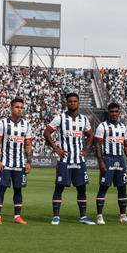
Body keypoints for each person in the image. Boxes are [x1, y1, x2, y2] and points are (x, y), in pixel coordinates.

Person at [44, 93, 94, 225]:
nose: (72, 103)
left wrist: (86, 150)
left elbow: (90, 135)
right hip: (64, 160)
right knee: (59, 188)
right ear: (67, 103)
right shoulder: (60, 118)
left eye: (75, 101)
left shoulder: (83, 119)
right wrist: (56, 148)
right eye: (70, 101)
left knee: (82, 188)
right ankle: (56, 217)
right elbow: (46, 132)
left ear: (78, 103)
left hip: (79, 160)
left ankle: (83, 217)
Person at [0, 97, 33, 225]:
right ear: (11, 109)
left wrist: (28, 162)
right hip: (5, 163)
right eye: (17, 107)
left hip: (20, 163)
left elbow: (28, 145)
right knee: (2, 188)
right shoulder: (3, 123)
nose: (19, 110)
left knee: (18, 189)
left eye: (21, 108)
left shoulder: (26, 125)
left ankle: (17, 216)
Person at [94, 102, 127, 224]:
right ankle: (99, 216)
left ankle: (123, 215)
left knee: (122, 187)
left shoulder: (123, 128)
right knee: (104, 187)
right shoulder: (102, 126)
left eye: (116, 111)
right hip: (108, 159)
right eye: (111, 112)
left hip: (120, 160)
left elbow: (126, 146)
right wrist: (100, 161)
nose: (114, 114)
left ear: (119, 113)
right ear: (108, 113)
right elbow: (98, 144)